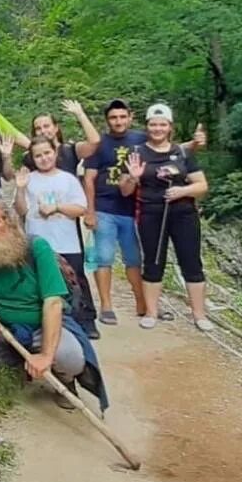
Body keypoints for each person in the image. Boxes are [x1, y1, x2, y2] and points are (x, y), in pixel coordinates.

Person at [0, 200, 90, 402]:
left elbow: (53, 303)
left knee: (71, 358)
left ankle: (62, 378)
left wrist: (46, 356)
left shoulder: (37, 247)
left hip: (42, 329)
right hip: (3, 329)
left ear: (10, 222)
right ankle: (20, 361)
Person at [84, 100, 206, 325]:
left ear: (130, 117)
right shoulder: (106, 145)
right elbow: (93, 179)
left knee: (137, 259)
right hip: (111, 208)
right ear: (107, 120)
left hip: (142, 211)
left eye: (122, 117)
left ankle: (147, 306)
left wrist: (196, 145)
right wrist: (90, 210)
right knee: (106, 258)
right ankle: (109, 307)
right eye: (113, 117)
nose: (118, 121)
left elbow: (177, 151)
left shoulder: (143, 140)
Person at [121, 103, 214, 332]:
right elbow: (124, 191)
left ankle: (199, 315)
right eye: (153, 124)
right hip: (151, 213)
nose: (158, 129)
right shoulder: (137, 153)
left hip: (184, 214)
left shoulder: (183, 153)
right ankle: (151, 313)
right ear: (147, 127)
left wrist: (182, 191)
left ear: (170, 127)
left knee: (191, 263)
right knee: (153, 262)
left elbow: (202, 185)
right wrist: (133, 178)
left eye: (162, 124)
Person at [15, 138, 97, 336]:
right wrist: (20, 188)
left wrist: (57, 207)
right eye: (38, 155)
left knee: (75, 284)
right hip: (39, 242)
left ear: (55, 152)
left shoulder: (68, 179)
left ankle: (83, 322)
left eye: (47, 153)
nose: (44, 158)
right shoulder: (29, 179)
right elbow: (22, 210)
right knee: (41, 285)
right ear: (32, 159)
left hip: (67, 243)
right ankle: (46, 325)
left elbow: (80, 208)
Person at [28, 99, 103, 174]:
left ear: (56, 128)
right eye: (38, 128)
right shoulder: (30, 157)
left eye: (46, 126)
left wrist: (80, 115)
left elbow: (95, 142)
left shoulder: (71, 150)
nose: (43, 131)